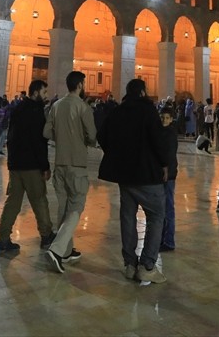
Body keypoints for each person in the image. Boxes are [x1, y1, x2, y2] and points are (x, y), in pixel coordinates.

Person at [98, 77, 168, 285]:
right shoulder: (147, 110)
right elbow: (157, 139)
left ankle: (130, 265)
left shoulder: (118, 111)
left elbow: (102, 135)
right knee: (156, 215)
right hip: (146, 174)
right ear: (142, 92)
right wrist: (164, 163)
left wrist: (115, 153)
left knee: (128, 217)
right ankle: (147, 266)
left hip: (125, 176)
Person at [42, 71, 97, 273]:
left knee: (63, 207)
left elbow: (46, 132)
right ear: (80, 85)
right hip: (77, 164)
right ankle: (56, 249)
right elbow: (92, 136)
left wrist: (62, 136)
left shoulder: (55, 106)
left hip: (60, 163)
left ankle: (65, 251)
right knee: (76, 207)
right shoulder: (83, 107)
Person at [0, 79, 54, 258]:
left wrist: (11, 161)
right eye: (44, 92)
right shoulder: (36, 111)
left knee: (12, 202)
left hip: (16, 165)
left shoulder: (18, 108)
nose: (45, 96)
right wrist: (45, 165)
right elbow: (39, 142)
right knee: (39, 200)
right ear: (35, 92)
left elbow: (11, 137)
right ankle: (46, 235)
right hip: (31, 165)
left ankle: (3, 239)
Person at [157, 104, 179, 252]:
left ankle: (169, 241)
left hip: (168, 174)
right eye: (162, 117)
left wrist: (165, 168)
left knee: (168, 208)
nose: (164, 120)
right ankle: (163, 238)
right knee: (163, 207)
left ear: (171, 119)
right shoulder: (162, 131)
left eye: (167, 118)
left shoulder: (170, 133)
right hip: (164, 173)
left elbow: (169, 154)